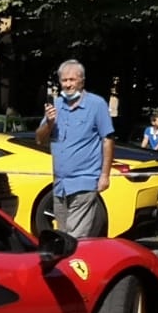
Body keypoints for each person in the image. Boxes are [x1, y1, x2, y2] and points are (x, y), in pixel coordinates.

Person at [34, 59, 114, 237]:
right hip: (60, 184)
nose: (68, 85)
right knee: (63, 236)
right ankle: (71, 264)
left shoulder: (97, 104)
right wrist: (49, 122)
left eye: (72, 80)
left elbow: (107, 139)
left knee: (75, 237)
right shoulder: (56, 105)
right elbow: (39, 139)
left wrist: (104, 175)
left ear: (82, 81)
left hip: (84, 181)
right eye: (64, 80)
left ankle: (75, 262)